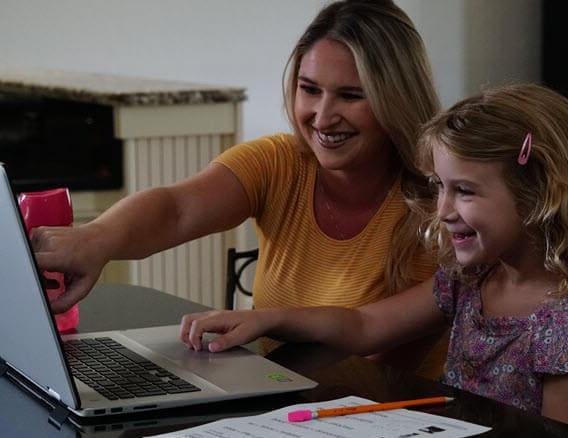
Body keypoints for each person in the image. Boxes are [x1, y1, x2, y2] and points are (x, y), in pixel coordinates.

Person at [180, 83, 568, 436]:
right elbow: (365, 326)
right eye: (439, 187)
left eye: (464, 191)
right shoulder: (473, 280)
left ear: (541, 195)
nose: (443, 211)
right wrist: (266, 318)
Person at [30, 0, 447, 378]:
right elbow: (175, 209)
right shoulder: (279, 162)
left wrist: (270, 326)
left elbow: (368, 344)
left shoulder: (444, 202)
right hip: (283, 408)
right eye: (309, 89)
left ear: (395, 96)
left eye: (351, 96)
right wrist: (96, 240)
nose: (322, 116)